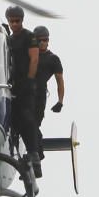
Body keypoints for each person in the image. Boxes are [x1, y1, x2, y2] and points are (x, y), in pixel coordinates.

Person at [5, 5, 42, 177]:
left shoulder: (29, 37)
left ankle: (34, 155)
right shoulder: (9, 39)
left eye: (17, 21)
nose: (14, 24)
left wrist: (29, 80)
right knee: (13, 120)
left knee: (27, 118)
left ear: (22, 20)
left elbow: (34, 59)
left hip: (25, 85)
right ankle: (16, 154)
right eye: (11, 21)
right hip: (12, 84)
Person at [32, 25, 65, 158]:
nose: (42, 43)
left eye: (44, 40)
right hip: (23, 93)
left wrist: (60, 101)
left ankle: (37, 155)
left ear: (48, 41)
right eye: (39, 40)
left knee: (33, 124)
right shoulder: (27, 54)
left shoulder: (53, 59)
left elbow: (60, 81)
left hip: (39, 96)